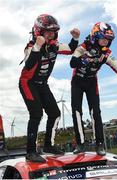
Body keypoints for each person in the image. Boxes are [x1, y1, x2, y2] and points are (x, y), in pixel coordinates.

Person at [19, 14, 80, 162]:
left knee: (55, 113)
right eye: (48, 31)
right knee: (36, 114)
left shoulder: (55, 45)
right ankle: (31, 151)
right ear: (39, 31)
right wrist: (38, 46)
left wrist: (76, 38)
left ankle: (48, 145)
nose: (51, 34)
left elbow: (71, 49)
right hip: (28, 83)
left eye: (53, 31)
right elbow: (28, 64)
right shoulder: (30, 47)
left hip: (43, 85)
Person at [70, 22, 117, 156]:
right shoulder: (84, 46)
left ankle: (100, 144)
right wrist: (85, 59)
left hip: (92, 82)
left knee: (96, 113)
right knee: (77, 112)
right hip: (77, 81)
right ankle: (80, 144)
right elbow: (72, 63)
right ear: (95, 36)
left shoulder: (107, 53)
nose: (106, 41)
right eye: (103, 38)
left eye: (108, 40)